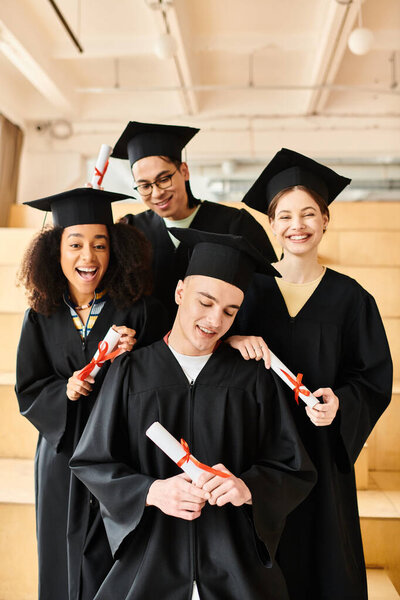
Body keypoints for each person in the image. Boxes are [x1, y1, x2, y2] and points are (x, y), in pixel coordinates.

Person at [70, 229, 316, 600]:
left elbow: (293, 468)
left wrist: (246, 487)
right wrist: (151, 491)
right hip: (149, 563)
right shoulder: (130, 372)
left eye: (230, 311)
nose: (215, 320)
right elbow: (92, 461)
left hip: (235, 566)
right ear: (180, 292)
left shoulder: (251, 379)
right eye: (205, 302)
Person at [227, 148, 393, 600]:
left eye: (308, 213)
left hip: (319, 449)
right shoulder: (248, 291)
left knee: (323, 560)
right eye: (284, 215)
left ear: (325, 219)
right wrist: (233, 341)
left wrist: (341, 401)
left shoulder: (351, 298)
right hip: (257, 449)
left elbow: (373, 377)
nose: (296, 225)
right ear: (271, 224)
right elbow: (209, 352)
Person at [16, 188, 169, 600]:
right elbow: (28, 387)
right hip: (61, 449)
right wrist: (63, 390)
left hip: (119, 449)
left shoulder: (137, 311)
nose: (89, 257)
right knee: (59, 553)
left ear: (115, 251)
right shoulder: (41, 314)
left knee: (113, 554)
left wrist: (135, 358)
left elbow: (161, 384)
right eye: (76, 244)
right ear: (55, 251)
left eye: (100, 245)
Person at [111, 120, 277, 323]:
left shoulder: (236, 224)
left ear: (184, 171)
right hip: (150, 350)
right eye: (144, 186)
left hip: (222, 347)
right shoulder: (132, 231)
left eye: (164, 179)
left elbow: (265, 292)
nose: (157, 193)